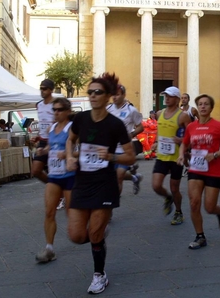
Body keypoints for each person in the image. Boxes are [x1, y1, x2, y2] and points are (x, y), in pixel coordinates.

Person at [65, 73, 135, 294]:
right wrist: (69, 156)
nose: (93, 96)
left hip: (105, 183)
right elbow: (70, 139)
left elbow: (130, 156)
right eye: (90, 92)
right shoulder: (81, 119)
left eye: (98, 92)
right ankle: (99, 237)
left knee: (94, 234)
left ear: (108, 97)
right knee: (76, 236)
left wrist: (111, 157)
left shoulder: (116, 124)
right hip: (83, 182)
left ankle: (99, 274)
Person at [178, 94, 220, 249]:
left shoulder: (218, 126)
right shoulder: (191, 126)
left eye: (206, 104)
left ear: (211, 108)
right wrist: (181, 156)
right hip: (195, 169)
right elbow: (184, 143)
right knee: (194, 202)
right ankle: (200, 236)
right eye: (200, 104)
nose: (203, 106)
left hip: (214, 171)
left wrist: (215, 154)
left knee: (209, 207)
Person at [35, 98, 75, 263]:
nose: (56, 112)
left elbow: (80, 148)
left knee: (71, 215)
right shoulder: (51, 128)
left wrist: (67, 155)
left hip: (69, 176)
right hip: (54, 176)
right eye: (54, 109)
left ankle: (95, 229)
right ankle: (49, 248)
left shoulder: (72, 128)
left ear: (67, 111)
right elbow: (51, 147)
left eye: (59, 110)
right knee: (49, 211)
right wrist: (42, 150)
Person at [152, 86, 190, 225]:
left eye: (170, 96)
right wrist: (156, 141)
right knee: (156, 186)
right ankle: (167, 197)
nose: (166, 98)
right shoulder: (159, 113)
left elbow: (190, 135)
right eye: (165, 96)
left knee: (175, 188)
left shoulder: (183, 116)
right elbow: (160, 129)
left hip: (176, 158)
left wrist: (182, 141)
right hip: (162, 156)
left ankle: (178, 212)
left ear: (177, 99)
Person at [106, 84, 144, 195]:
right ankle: (134, 178)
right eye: (113, 94)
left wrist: (131, 134)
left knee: (118, 176)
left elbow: (140, 126)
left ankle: (113, 203)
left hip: (124, 150)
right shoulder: (107, 109)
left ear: (123, 95)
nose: (114, 97)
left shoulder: (131, 110)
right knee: (112, 175)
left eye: (117, 94)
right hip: (111, 149)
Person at [31, 79, 55, 184]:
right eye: (40, 88)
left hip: (54, 141)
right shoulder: (39, 105)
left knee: (55, 171)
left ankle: (57, 190)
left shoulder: (56, 105)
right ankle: (52, 185)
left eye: (44, 89)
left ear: (51, 90)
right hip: (42, 141)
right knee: (35, 171)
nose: (42, 91)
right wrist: (38, 136)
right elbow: (42, 123)